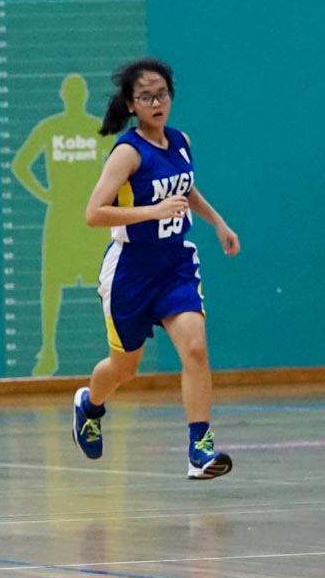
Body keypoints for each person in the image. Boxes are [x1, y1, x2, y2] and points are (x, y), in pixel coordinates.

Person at [69, 57, 240, 480]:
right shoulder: (128, 152)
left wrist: (217, 222)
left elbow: (184, 188)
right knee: (124, 368)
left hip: (175, 264)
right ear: (131, 104)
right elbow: (94, 213)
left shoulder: (180, 140)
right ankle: (89, 406)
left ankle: (200, 450)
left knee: (196, 350)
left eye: (161, 94)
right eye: (145, 97)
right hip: (131, 271)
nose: (156, 102)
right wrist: (152, 211)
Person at [11, 74, 114, 377]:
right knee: (52, 284)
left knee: (107, 283)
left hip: (91, 217)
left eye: (77, 91)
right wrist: (44, 192)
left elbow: (124, 162)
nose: (74, 96)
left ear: (81, 96)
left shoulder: (98, 128)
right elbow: (20, 164)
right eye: (71, 92)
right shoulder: (51, 128)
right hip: (60, 215)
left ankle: (115, 347)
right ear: (64, 95)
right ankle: (48, 351)